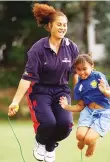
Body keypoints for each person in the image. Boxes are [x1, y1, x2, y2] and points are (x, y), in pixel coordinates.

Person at [8, 3, 79, 162]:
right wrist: (15, 101)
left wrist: (82, 96)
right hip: (40, 91)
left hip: (61, 91)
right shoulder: (38, 49)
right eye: (59, 24)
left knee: (66, 126)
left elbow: (76, 75)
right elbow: (27, 77)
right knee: (48, 123)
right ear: (49, 26)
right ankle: (40, 141)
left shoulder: (72, 47)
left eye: (65, 25)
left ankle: (50, 145)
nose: (62, 28)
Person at [59, 53, 110, 157]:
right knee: (79, 136)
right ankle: (86, 139)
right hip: (88, 112)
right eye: (79, 69)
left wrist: (104, 91)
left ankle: (91, 143)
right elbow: (80, 106)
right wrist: (66, 106)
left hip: (103, 114)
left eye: (85, 69)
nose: (82, 72)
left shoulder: (98, 76)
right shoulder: (79, 85)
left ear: (92, 66)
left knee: (88, 140)